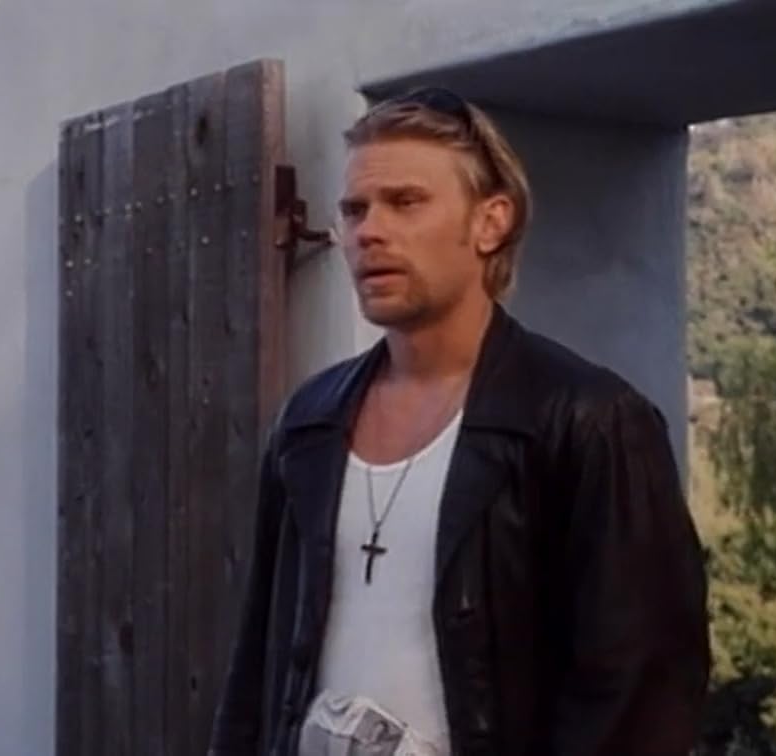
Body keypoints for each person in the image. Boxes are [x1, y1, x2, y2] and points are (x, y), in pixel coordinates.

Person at [209, 88, 710, 756]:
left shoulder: (590, 422)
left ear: (490, 222)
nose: (370, 232)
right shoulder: (309, 423)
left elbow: (641, 692)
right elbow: (257, 665)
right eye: (355, 209)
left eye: (405, 202)